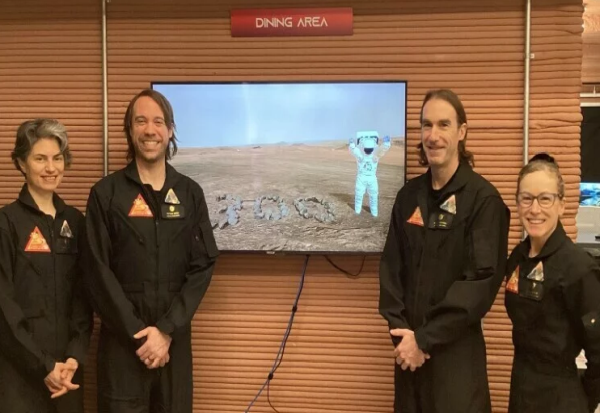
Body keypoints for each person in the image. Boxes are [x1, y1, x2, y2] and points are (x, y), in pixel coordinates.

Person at [80, 89, 219, 413]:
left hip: (174, 345)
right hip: (122, 346)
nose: (149, 130)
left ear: (169, 130)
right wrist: (140, 335)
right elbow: (96, 271)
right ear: (130, 130)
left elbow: (202, 266)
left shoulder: (190, 194)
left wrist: (166, 330)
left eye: (158, 122)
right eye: (140, 121)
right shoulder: (105, 195)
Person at [379, 89, 510, 413]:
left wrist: (424, 340)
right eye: (426, 125)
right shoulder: (408, 198)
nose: (433, 135)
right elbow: (390, 272)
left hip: (455, 363)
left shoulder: (483, 201)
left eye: (443, 125)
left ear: (462, 132)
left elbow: (478, 287)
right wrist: (405, 339)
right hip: (409, 359)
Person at [0, 119, 93, 412]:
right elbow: (3, 307)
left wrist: (74, 357)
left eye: (57, 158)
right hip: (19, 374)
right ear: (21, 163)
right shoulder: (6, 223)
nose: (51, 168)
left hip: (67, 374)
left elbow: (84, 296)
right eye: (40, 158)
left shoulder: (76, 222)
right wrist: (43, 365)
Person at [505, 153, 600, 413]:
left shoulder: (579, 268)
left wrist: (584, 402)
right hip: (521, 391)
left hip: (561, 398)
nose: (535, 209)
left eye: (545, 199)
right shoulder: (517, 258)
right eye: (527, 198)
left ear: (561, 205)